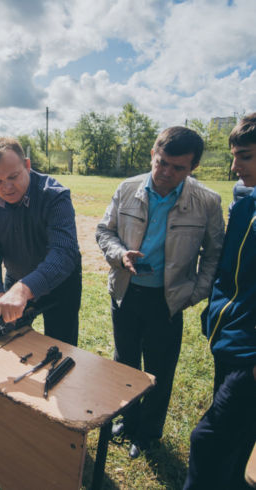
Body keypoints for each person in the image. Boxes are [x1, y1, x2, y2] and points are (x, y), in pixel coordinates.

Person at [96, 126, 225, 459]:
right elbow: (104, 231)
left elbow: (214, 254)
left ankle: (149, 432)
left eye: (178, 167)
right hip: (125, 292)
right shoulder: (126, 189)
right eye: (162, 162)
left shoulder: (207, 202)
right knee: (125, 362)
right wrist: (120, 255)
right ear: (153, 154)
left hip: (168, 301)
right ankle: (128, 419)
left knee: (159, 370)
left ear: (192, 167)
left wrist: (194, 292)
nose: (166, 172)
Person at [184, 114, 256, 490]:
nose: (234, 166)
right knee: (238, 439)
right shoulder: (247, 201)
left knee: (207, 441)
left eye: (244, 156)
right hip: (230, 338)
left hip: (250, 353)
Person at [0, 137, 81, 344]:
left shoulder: (55, 196)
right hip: (16, 278)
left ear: (28, 165)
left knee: (61, 346)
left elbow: (63, 252)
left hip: (60, 283)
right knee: (10, 341)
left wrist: (24, 289)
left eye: (13, 177)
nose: (6, 187)